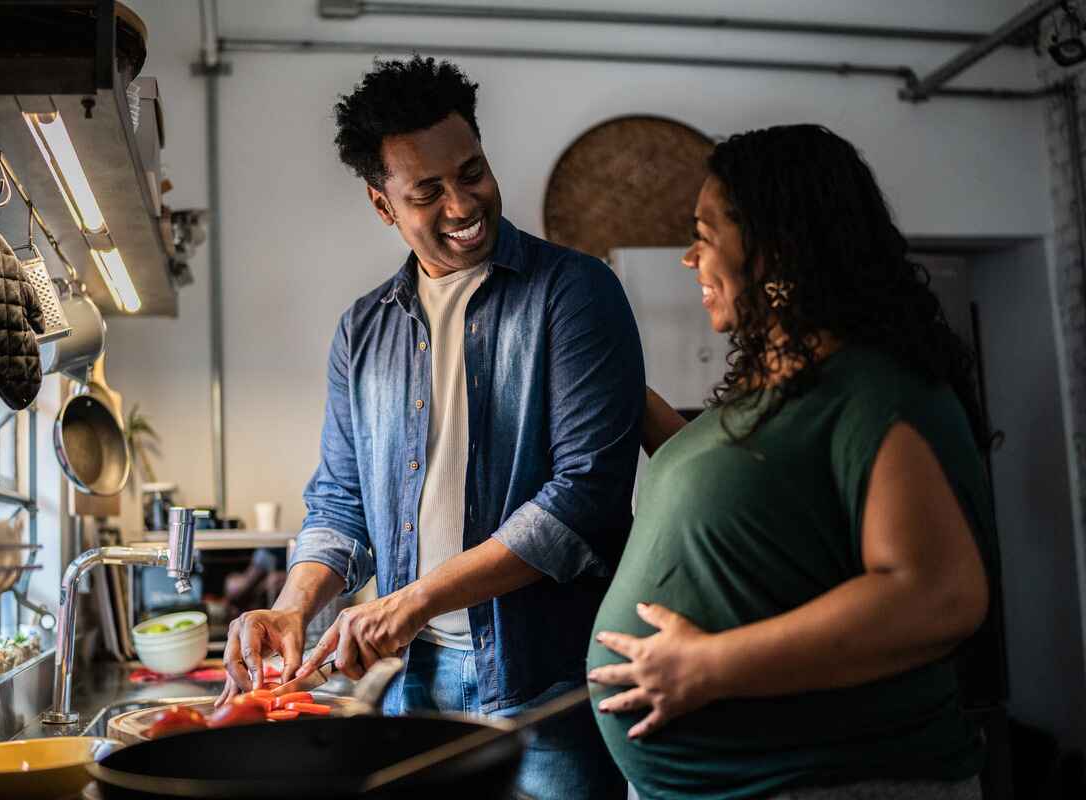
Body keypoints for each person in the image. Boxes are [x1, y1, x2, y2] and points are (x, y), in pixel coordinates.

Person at [221, 55, 642, 799]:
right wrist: (291, 610)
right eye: (428, 192)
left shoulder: (573, 295)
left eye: (472, 172)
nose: (462, 203)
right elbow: (341, 504)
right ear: (384, 206)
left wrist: (414, 599)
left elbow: (585, 498)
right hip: (416, 690)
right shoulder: (363, 331)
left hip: (548, 683)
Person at [587, 124, 996, 800]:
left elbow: (936, 595)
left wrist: (709, 666)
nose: (690, 259)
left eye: (706, 234)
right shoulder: (772, 394)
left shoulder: (876, 389)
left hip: (832, 780)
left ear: (775, 252)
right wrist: (606, 380)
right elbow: (733, 489)